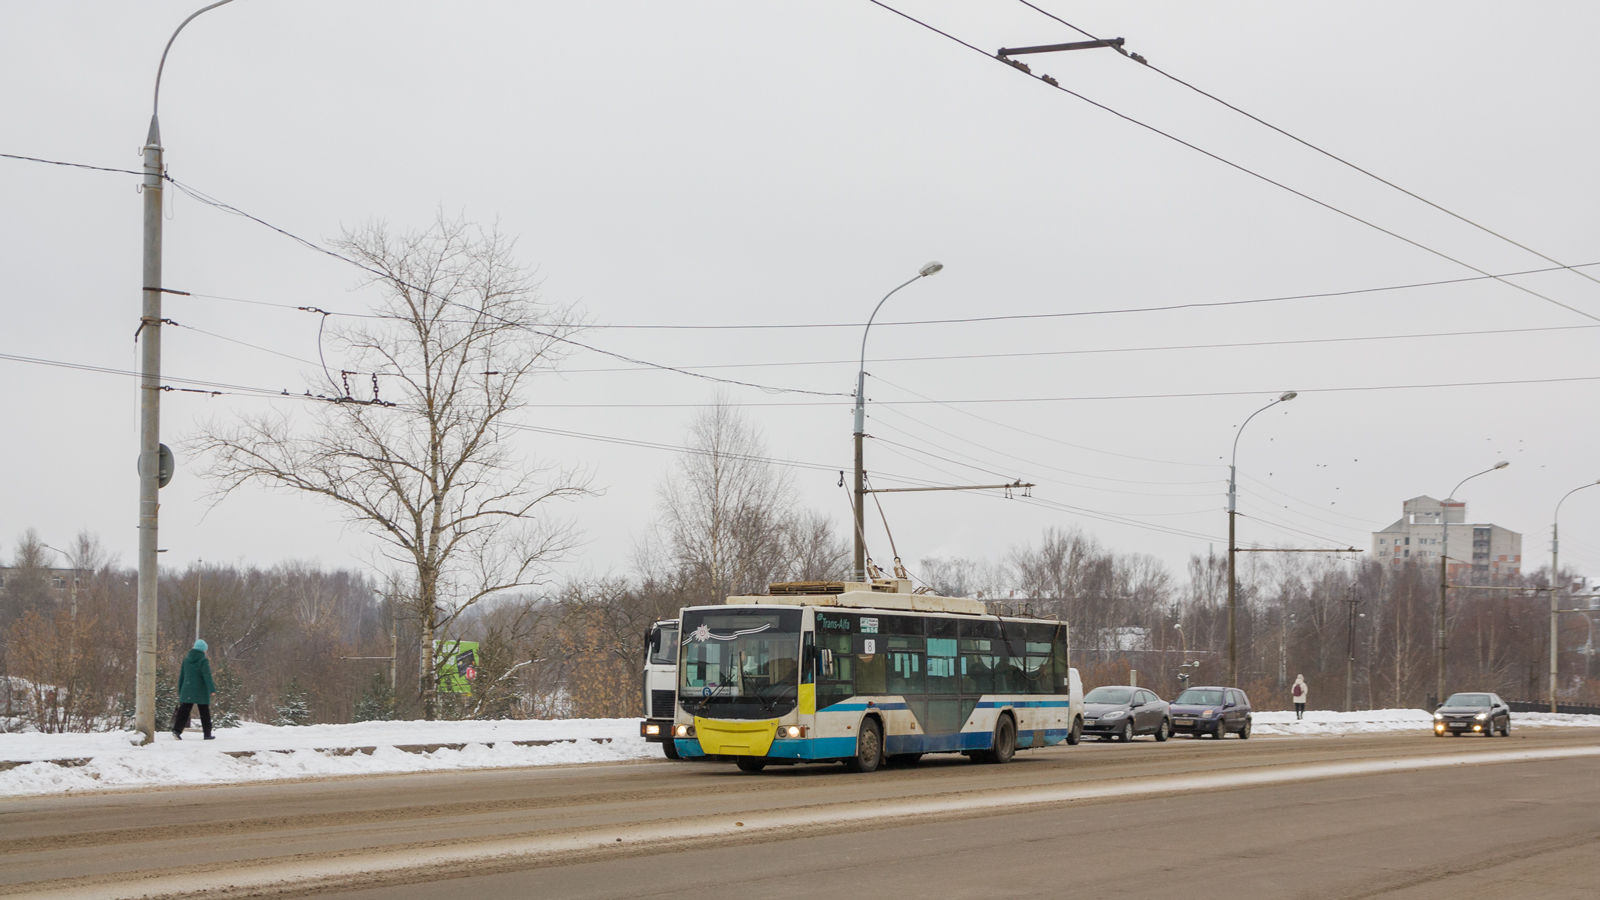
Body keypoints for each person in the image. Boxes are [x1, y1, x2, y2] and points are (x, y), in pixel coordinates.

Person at [173, 639, 217, 740]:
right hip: (201, 690)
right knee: (204, 712)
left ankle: (176, 730)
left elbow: (182, 676)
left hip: (187, 689)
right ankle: (207, 734)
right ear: (203, 649)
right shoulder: (203, 660)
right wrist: (212, 689)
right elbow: (207, 676)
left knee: (184, 711)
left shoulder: (186, 659)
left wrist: (180, 690)